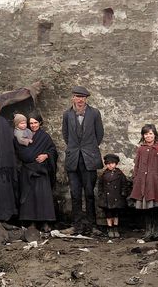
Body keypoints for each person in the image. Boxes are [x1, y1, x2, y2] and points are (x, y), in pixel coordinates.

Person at [62, 86, 104, 235]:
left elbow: (99, 134)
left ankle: (92, 225)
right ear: (72, 98)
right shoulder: (67, 115)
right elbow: (65, 135)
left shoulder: (94, 113)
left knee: (89, 193)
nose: (80, 100)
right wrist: (76, 149)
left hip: (89, 159)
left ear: (86, 99)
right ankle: (77, 225)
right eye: (77, 97)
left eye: (82, 97)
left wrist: (88, 149)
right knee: (75, 193)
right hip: (73, 159)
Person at [14, 112, 58, 232]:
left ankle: (45, 222)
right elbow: (20, 151)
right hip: (27, 170)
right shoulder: (22, 136)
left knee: (43, 196)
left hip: (41, 170)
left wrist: (46, 155)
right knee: (29, 198)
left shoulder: (45, 137)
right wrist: (30, 157)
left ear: (40, 123)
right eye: (31, 123)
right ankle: (31, 223)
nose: (33, 125)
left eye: (35, 123)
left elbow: (53, 150)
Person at [129, 124, 158, 241]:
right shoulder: (141, 149)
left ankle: (156, 231)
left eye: (151, 133)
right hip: (142, 183)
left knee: (154, 208)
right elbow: (137, 165)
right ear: (143, 136)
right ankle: (148, 231)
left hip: (154, 183)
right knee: (146, 209)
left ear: (155, 134)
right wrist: (136, 178)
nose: (148, 136)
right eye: (146, 134)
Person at [97, 153, 128, 238]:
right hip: (107, 198)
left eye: (112, 163)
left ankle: (116, 228)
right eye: (108, 164)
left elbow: (124, 184)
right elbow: (100, 185)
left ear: (116, 164)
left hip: (117, 197)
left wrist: (123, 193)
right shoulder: (104, 175)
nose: (110, 165)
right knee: (108, 214)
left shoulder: (120, 174)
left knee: (116, 214)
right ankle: (110, 228)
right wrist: (101, 194)